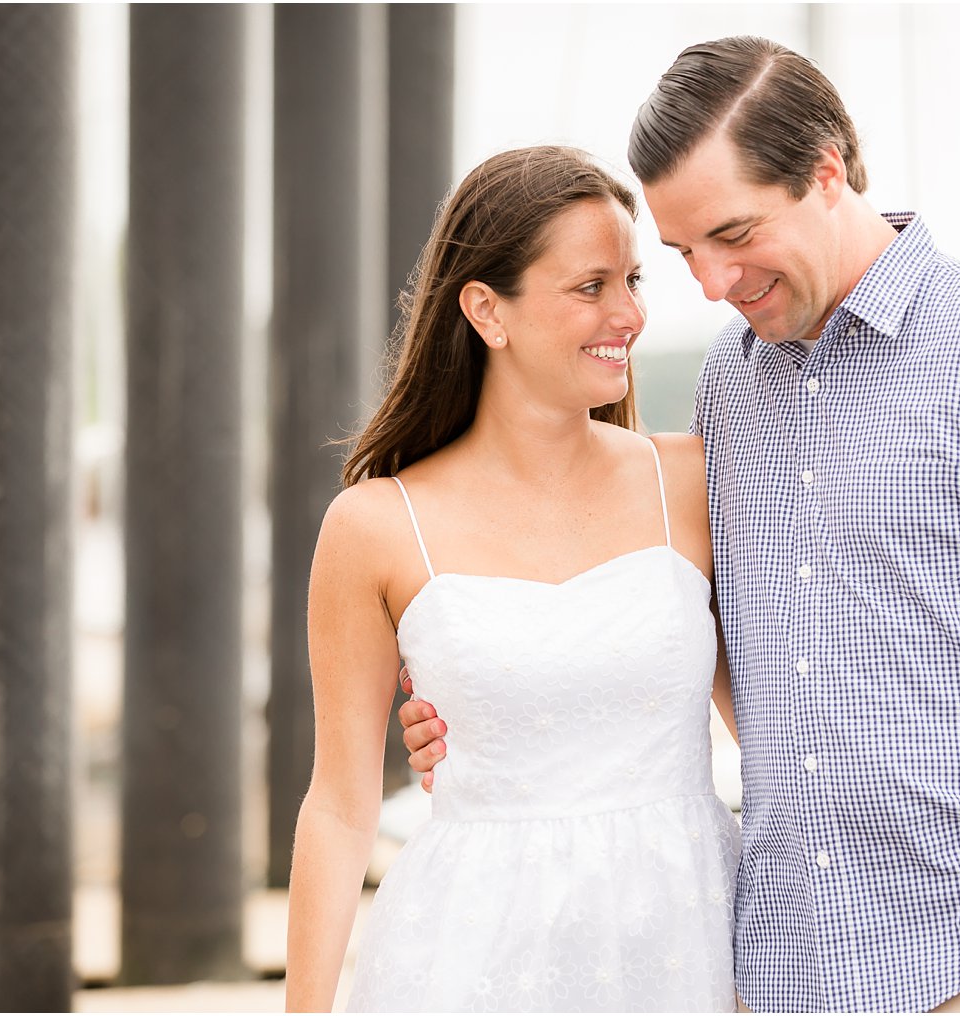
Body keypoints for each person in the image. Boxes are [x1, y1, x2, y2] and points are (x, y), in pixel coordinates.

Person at [400, 36, 960, 1013]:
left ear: (826, 171)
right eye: (682, 252)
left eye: (733, 234)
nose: (710, 282)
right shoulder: (728, 390)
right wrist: (491, 707)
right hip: (785, 969)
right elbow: (690, 637)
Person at [282, 145, 741, 1013]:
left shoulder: (689, 481)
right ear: (487, 310)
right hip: (469, 957)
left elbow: (783, 733)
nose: (629, 315)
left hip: (692, 943)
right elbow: (340, 808)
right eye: (590, 286)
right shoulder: (375, 526)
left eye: (634, 280)